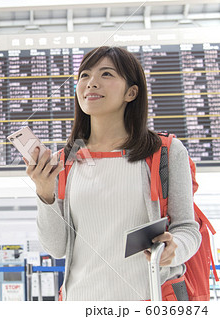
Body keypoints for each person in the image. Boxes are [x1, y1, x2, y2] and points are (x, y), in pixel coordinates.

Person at [23, 46, 201, 301]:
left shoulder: (165, 152)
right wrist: (44, 193)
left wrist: (176, 247)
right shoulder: (67, 159)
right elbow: (56, 247)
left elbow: (187, 228)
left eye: (106, 74)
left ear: (132, 92)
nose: (91, 83)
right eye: (84, 75)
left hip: (149, 300)